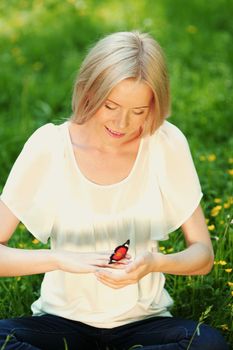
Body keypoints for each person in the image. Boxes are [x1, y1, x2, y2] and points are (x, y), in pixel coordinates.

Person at [0, 31, 229, 350]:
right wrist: (60, 258)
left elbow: (202, 256)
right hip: (61, 322)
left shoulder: (165, 143)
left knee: (209, 344)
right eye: (111, 105)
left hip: (144, 323)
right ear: (88, 91)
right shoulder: (49, 146)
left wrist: (153, 263)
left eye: (139, 111)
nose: (122, 123)